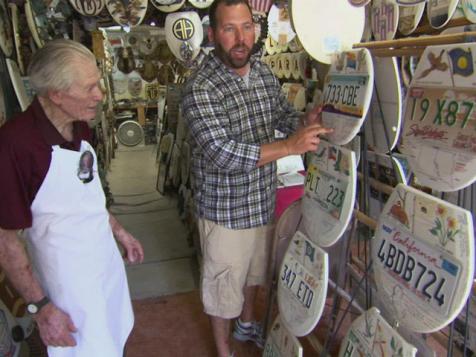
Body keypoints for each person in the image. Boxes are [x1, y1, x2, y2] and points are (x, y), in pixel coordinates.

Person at [182, 1, 332, 356]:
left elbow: (282, 116)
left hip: (261, 201)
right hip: (225, 212)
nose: (240, 38)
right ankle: (223, 350)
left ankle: (247, 325)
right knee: (223, 287)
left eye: (247, 27)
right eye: (230, 29)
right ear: (213, 34)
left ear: (256, 28)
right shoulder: (199, 87)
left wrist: (304, 120)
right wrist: (289, 145)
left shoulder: (263, 74)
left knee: (255, 274)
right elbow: (223, 152)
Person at [0, 39, 144, 356]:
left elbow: (85, 194)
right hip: (67, 284)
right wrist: (42, 308)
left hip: (103, 266)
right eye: (90, 87)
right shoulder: (15, 145)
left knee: (112, 338)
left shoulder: (78, 127)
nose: (100, 95)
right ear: (57, 94)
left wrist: (119, 231)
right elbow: (6, 240)